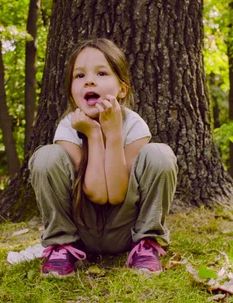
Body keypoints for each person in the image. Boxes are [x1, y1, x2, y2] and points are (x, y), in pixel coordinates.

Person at [28, 38, 178, 278]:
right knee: (46, 157)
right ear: (72, 91)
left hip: (126, 230)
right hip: (81, 234)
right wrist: (94, 134)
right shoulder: (69, 127)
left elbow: (117, 193)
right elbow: (97, 192)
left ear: (122, 89)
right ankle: (61, 246)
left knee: (160, 154)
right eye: (79, 76)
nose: (89, 80)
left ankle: (148, 244)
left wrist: (113, 133)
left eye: (101, 73)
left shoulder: (135, 126)